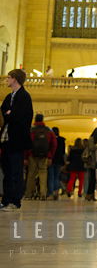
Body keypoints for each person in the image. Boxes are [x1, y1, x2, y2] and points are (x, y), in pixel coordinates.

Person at [1, 69, 34, 211]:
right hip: (5, 140)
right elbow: (3, 114)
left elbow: (15, 117)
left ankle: (15, 201)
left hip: (17, 140)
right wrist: (8, 114)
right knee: (6, 171)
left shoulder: (24, 97)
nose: (6, 80)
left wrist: (9, 114)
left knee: (16, 172)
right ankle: (5, 200)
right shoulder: (9, 97)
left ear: (15, 79)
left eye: (8, 77)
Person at [23, 113, 57, 200]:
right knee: (43, 174)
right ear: (42, 120)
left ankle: (28, 194)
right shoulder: (49, 131)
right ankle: (43, 193)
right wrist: (50, 157)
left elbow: (26, 144)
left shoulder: (30, 130)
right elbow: (54, 145)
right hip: (44, 156)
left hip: (32, 155)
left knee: (31, 175)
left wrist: (25, 157)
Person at [83, 127, 97, 201]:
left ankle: (92, 194)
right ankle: (88, 194)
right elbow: (92, 148)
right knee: (92, 179)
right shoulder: (91, 139)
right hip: (92, 161)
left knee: (94, 179)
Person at [48, 127, 65, 199]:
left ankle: (51, 193)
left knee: (50, 177)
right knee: (56, 177)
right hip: (59, 160)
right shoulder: (62, 140)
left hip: (51, 159)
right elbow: (63, 152)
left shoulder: (50, 139)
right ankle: (56, 191)